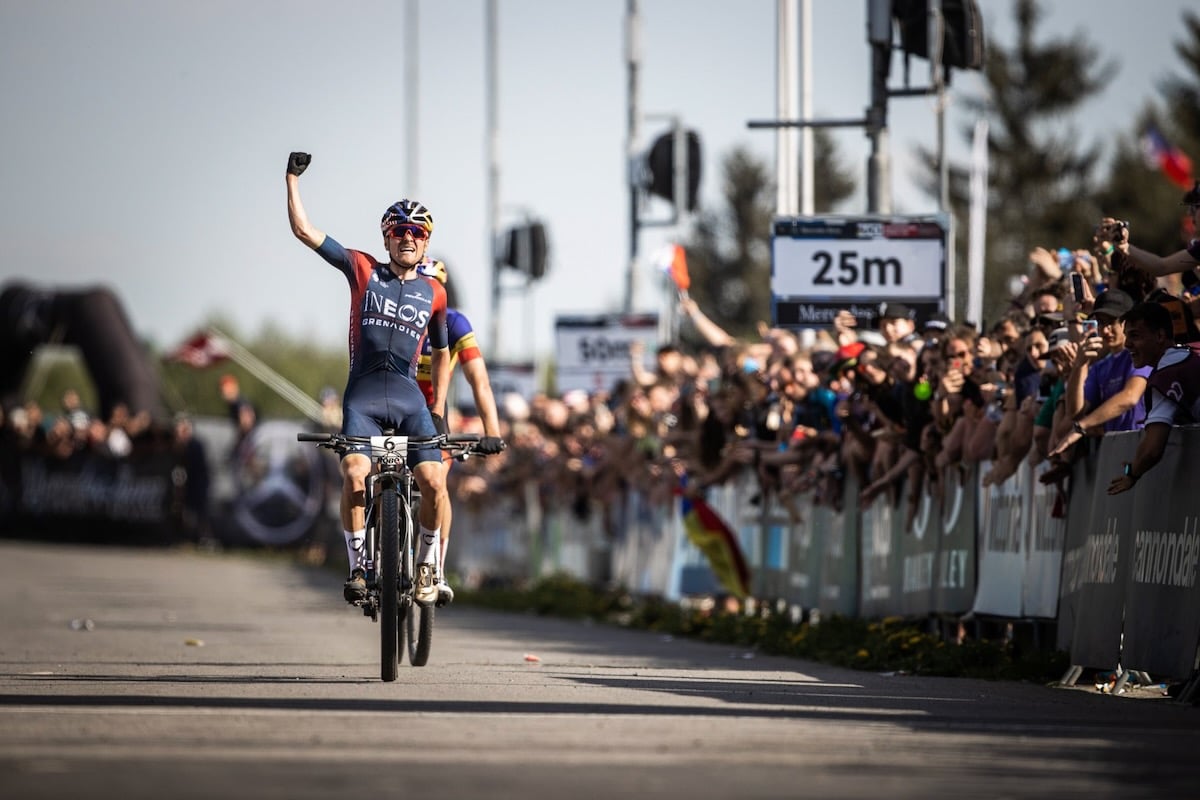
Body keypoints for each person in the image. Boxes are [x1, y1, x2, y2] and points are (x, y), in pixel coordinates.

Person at [286, 151, 453, 606]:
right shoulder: (362, 269)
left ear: (426, 242)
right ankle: (360, 564)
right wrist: (292, 179)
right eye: (399, 231)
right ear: (386, 237)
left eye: (416, 232)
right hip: (362, 398)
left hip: (409, 402)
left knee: (436, 483)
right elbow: (305, 231)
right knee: (356, 474)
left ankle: (425, 566)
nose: (407, 238)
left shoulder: (435, 292)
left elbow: (443, 354)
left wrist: (437, 408)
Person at [414, 258, 507, 605]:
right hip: (391, 409)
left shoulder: (454, 324)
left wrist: (492, 431)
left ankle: (434, 567)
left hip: (433, 413)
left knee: (437, 484)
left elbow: (479, 381)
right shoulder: (397, 319)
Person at [1107, 301, 1200, 494]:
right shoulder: (1194, 352)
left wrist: (1131, 472)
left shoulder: (1166, 375)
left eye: (1135, 335)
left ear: (1160, 336)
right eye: (1126, 336)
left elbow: (1152, 449)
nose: (1127, 344)